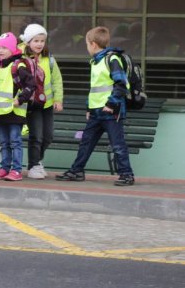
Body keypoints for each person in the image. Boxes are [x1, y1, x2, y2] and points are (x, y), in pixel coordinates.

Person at [56, 27, 136, 186]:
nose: (86, 47)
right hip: (96, 112)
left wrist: (111, 104)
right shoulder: (96, 62)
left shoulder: (111, 60)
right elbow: (95, 88)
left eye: (86, 44)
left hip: (111, 111)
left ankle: (127, 174)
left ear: (93, 44)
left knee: (117, 144)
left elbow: (121, 84)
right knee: (86, 142)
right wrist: (89, 108)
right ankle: (76, 170)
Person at [0, 32, 35, 182]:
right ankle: (4, 168)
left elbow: (31, 85)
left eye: (4, 48)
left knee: (15, 142)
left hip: (15, 112)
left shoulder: (18, 66)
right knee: (4, 142)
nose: (1, 51)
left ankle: (16, 170)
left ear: (12, 49)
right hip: (1, 113)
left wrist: (20, 100)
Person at [20, 24, 64, 179]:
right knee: (36, 136)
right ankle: (33, 165)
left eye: (42, 41)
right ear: (28, 42)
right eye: (36, 40)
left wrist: (58, 99)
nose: (39, 44)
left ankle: (37, 161)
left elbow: (57, 80)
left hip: (47, 104)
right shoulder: (21, 59)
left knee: (48, 136)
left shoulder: (49, 59)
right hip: (32, 105)